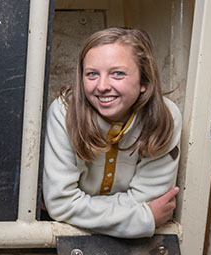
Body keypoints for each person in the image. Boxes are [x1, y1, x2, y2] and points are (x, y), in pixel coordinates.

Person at [42, 27, 181, 239]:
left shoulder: (166, 116)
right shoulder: (64, 111)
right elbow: (61, 204)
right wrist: (143, 219)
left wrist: (79, 209)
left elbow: (147, 199)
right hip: (68, 236)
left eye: (118, 73)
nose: (102, 86)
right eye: (92, 74)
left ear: (144, 81)